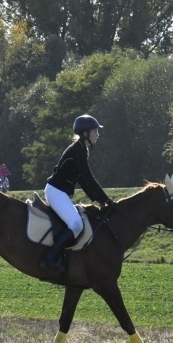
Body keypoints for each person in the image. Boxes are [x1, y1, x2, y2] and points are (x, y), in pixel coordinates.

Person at [40, 114, 115, 271]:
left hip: (59, 192)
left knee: (76, 222)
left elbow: (83, 180)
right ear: (86, 133)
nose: (98, 134)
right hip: (55, 192)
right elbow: (89, 177)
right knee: (76, 224)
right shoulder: (78, 150)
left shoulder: (82, 149)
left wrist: (100, 200)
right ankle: (50, 259)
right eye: (95, 131)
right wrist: (106, 199)